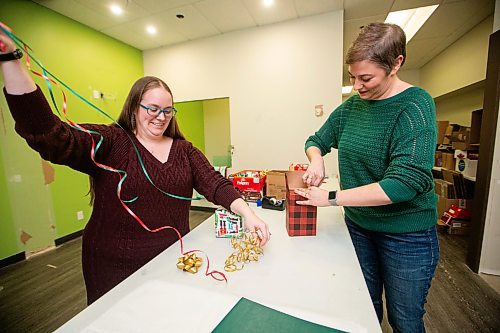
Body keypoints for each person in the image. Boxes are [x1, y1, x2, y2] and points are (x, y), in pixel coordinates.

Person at [0, 27, 269, 305]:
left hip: (171, 259)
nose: (160, 116)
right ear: (133, 108)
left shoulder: (184, 150)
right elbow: (50, 136)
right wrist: (10, 59)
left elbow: (215, 183)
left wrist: (247, 214)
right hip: (113, 266)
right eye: (151, 108)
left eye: (167, 110)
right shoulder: (112, 142)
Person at [295, 23, 438, 332]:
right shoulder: (351, 109)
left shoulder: (415, 106)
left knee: (405, 320)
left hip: (406, 235)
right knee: (364, 307)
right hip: (359, 227)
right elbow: (315, 140)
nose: (357, 86)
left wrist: (331, 198)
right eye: (352, 77)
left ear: (396, 64)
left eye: (367, 78)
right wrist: (317, 159)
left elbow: (404, 183)